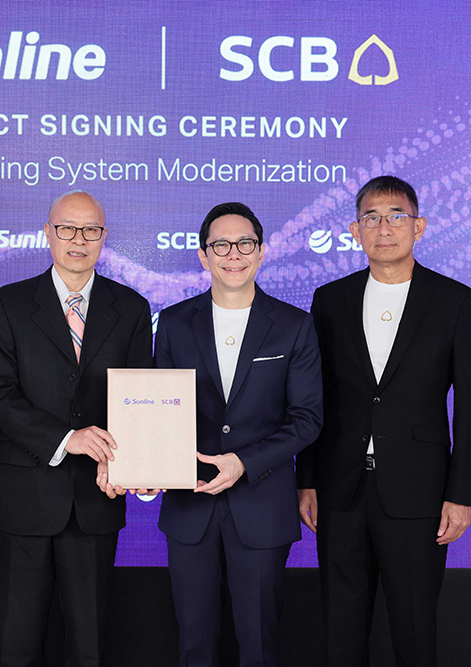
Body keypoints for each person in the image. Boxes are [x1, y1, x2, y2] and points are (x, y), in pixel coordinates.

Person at [296, 175, 471, 667]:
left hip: (420, 492)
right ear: (355, 231)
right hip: (340, 490)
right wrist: (307, 479)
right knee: (340, 632)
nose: (385, 228)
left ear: (418, 226)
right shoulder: (330, 299)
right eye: (372, 217)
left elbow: (470, 405)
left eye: (397, 216)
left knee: (415, 632)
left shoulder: (455, 301)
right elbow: (315, 397)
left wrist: (460, 494)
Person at [0, 190, 153, 667]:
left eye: (91, 230)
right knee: (18, 644)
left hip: (97, 497)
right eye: (67, 229)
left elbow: (139, 396)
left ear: (104, 237)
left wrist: (132, 461)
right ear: (48, 233)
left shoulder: (131, 307)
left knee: (89, 646)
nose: (79, 239)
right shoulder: (8, 303)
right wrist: (66, 438)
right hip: (26, 499)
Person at [152, 202, 323, 666]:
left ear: (262, 251)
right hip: (189, 503)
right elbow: (158, 409)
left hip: (262, 504)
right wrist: (150, 464)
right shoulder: (173, 323)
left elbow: (307, 418)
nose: (234, 254)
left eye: (245, 243)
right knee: (193, 643)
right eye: (221, 245)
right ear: (203, 255)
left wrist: (244, 462)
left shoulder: (293, 325)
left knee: (260, 644)